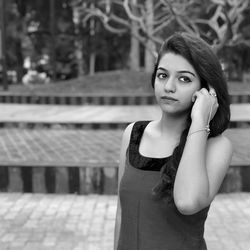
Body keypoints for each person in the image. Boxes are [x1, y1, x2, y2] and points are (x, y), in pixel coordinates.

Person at [114, 32, 233, 250]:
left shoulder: (216, 146)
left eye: (184, 79)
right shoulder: (133, 134)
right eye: (162, 75)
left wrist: (200, 121)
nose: (169, 86)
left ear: (206, 89)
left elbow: (187, 202)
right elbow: (122, 214)